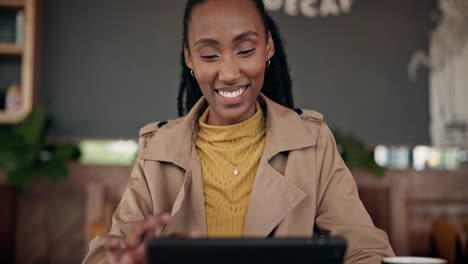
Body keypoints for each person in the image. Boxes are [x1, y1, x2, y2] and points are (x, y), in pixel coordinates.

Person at [83, 0, 395, 263]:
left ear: (268, 46)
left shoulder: (312, 142)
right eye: (209, 55)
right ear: (189, 57)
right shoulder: (158, 149)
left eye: (245, 50)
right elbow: (105, 254)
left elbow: (367, 251)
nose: (230, 73)